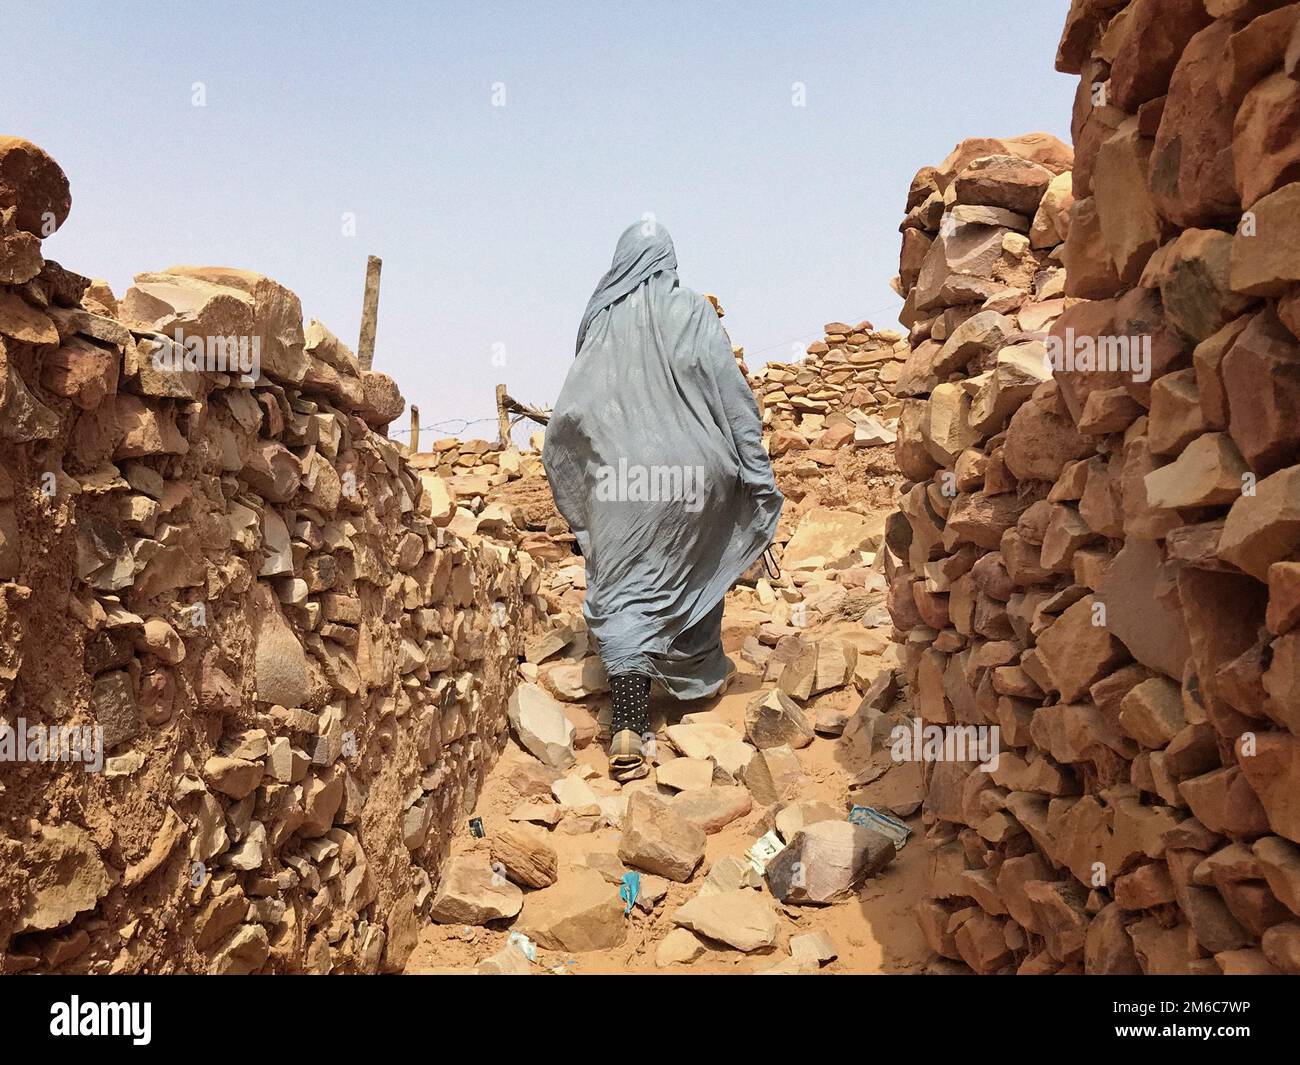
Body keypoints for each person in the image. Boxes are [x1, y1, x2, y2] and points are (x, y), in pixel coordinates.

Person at [543, 220, 783, 781]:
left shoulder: (601, 323)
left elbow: (572, 414)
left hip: (625, 483)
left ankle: (629, 721)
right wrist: (754, 470)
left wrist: (583, 466)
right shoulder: (694, 311)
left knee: (627, 590)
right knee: (693, 563)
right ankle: (693, 686)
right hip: (698, 477)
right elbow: (730, 391)